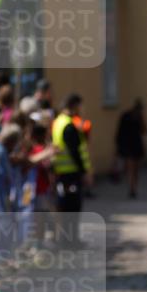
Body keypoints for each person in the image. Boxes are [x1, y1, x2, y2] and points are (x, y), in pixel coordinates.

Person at [52, 93, 93, 244]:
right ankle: (71, 240)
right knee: (73, 208)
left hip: (62, 173)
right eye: (81, 106)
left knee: (65, 207)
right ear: (74, 106)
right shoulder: (69, 126)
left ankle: (65, 239)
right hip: (71, 173)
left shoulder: (58, 121)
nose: (82, 109)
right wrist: (85, 172)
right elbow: (75, 151)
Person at [115, 100, 146, 199]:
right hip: (132, 146)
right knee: (133, 169)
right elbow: (144, 130)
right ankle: (133, 188)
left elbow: (119, 132)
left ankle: (133, 188)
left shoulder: (130, 116)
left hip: (131, 145)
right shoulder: (130, 117)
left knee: (133, 169)